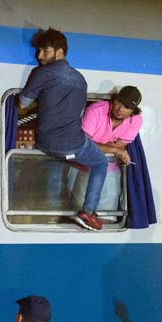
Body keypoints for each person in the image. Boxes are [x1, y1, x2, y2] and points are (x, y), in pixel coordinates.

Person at [19, 28, 107, 231]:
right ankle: (88, 212)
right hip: (72, 144)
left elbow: (23, 103)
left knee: (65, 160)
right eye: (38, 51)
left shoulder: (40, 73)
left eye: (44, 51)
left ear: (60, 52)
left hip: (45, 143)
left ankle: (49, 211)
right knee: (101, 163)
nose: (39, 56)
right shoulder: (80, 79)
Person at [68, 85, 144, 212]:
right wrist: (114, 149)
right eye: (119, 102)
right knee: (80, 214)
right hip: (84, 169)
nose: (120, 109)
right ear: (114, 100)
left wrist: (106, 147)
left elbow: (120, 146)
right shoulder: (95, 110)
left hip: (110, 172)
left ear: (133, 111)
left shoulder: (136, 120)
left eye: (127, 107)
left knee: (107, 215)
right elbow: (84, 145)